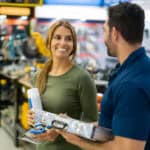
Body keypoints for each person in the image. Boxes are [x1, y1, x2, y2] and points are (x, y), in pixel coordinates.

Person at [57, 2, 150, 150]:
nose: (103, 38)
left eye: (104, 31)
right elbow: (112, 128)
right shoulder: (133, 69)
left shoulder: (130, 85)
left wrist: (78, 141)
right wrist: (75, 126)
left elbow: (127, 148)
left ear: (114, 33)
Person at [27, 20, 98, 150]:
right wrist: (32, 119)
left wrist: (60, 129)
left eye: (68, 39)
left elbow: (92, 127)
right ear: (49, 42)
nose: (63, 43)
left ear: (73, 45)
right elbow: (38, 116)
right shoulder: (38, 76)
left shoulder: (82, 78)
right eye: (57, 37)